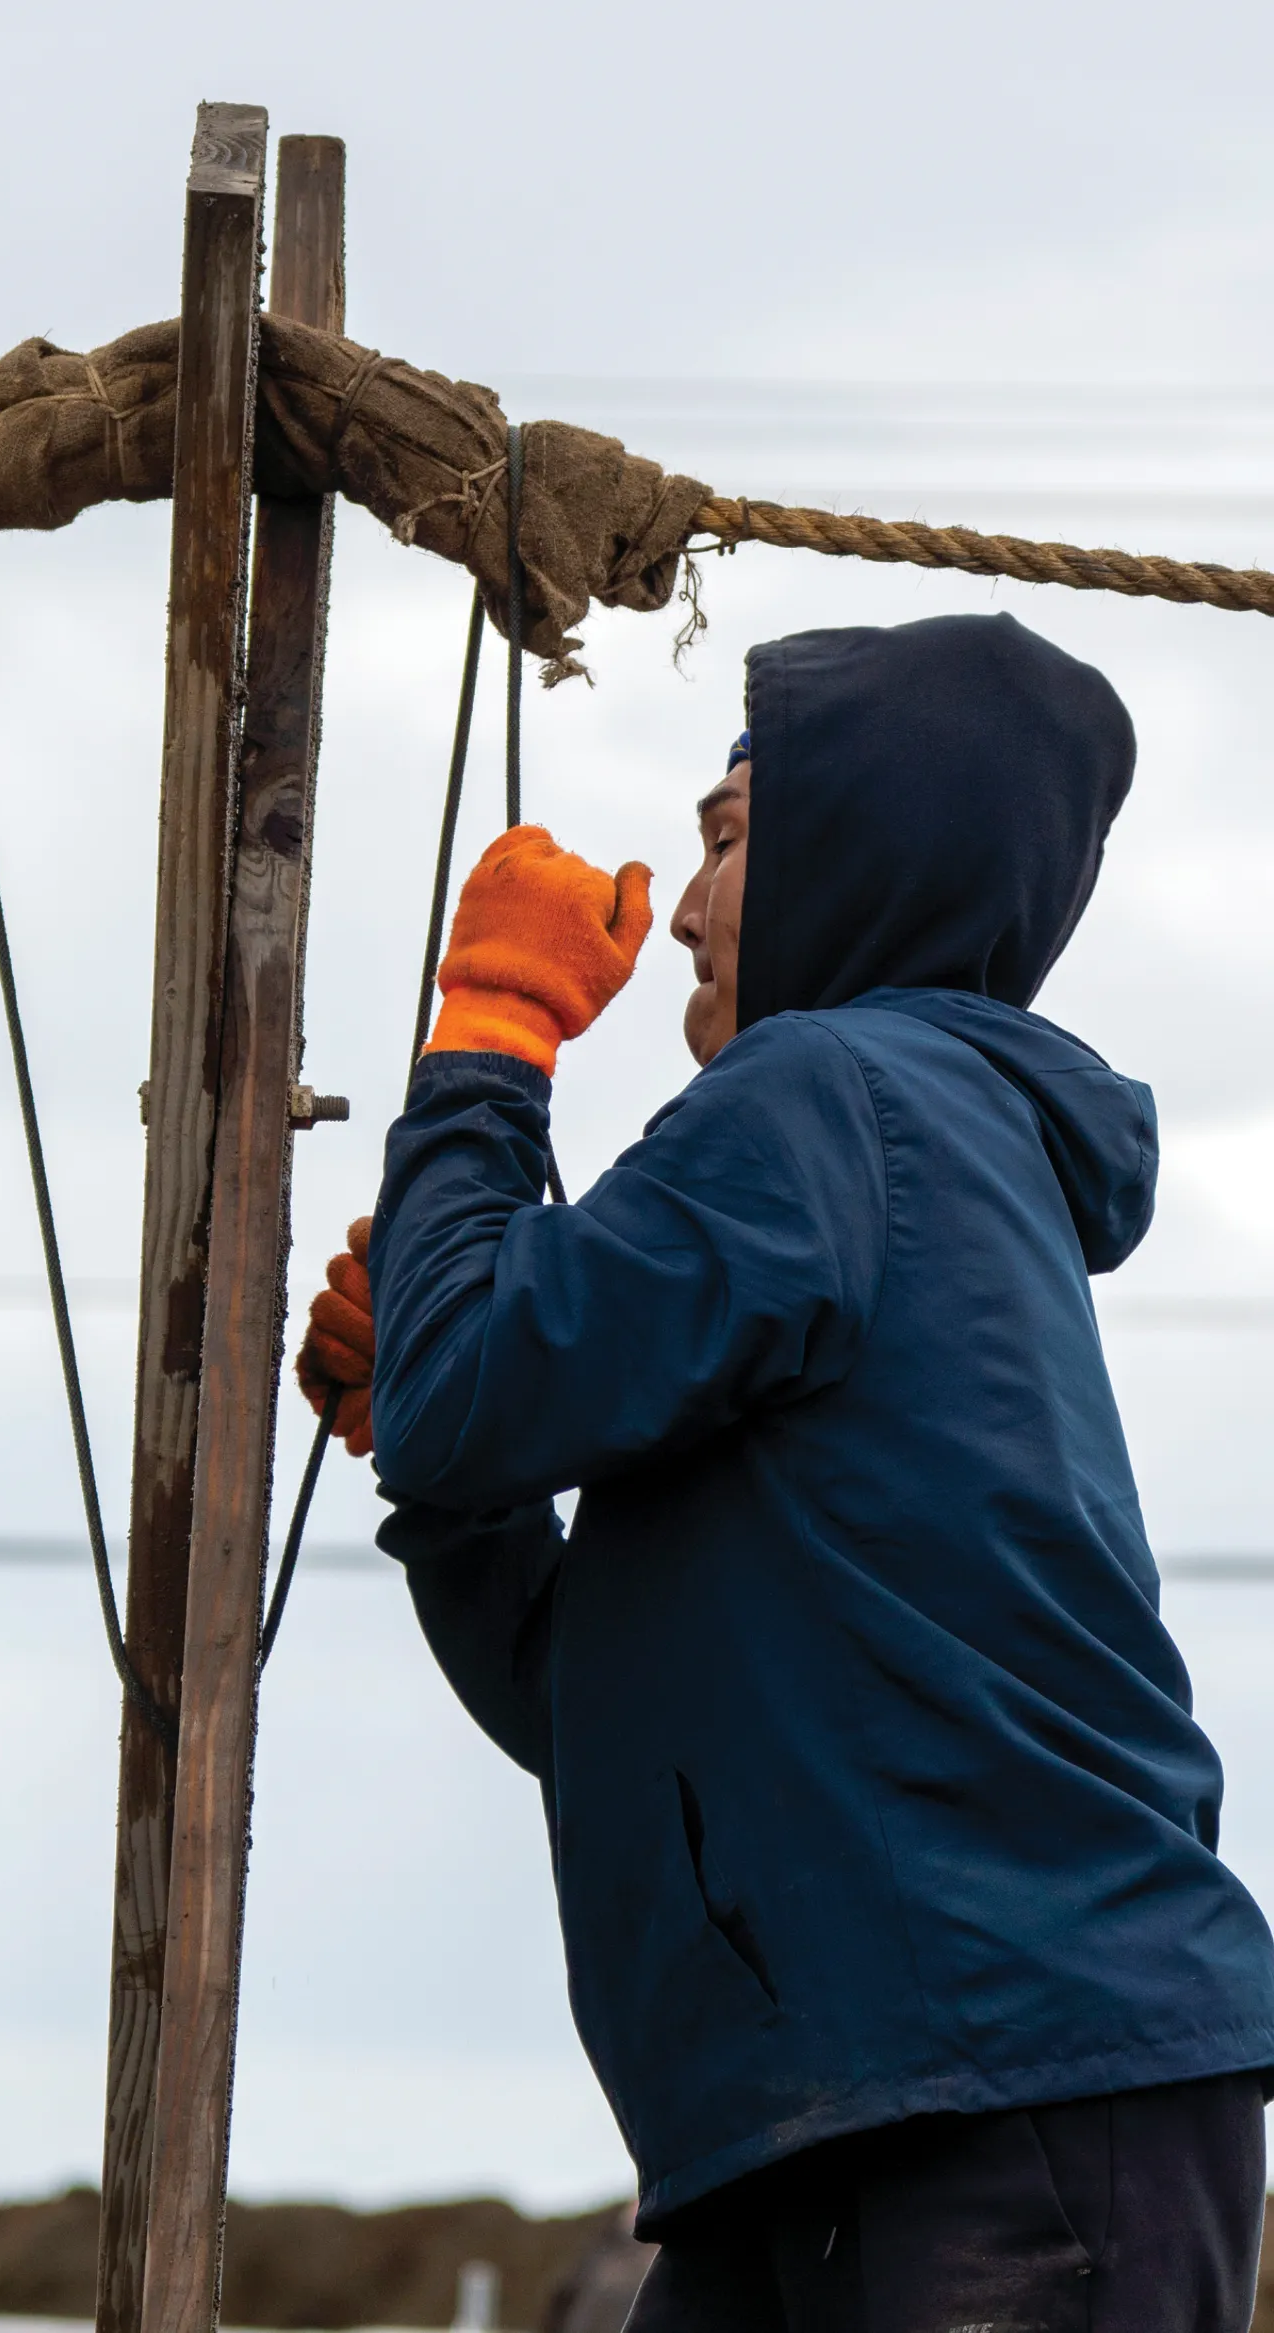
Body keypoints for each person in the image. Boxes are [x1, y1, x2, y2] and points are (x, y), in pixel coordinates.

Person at [294, 611, 1274, 2332]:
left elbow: (464, 1394)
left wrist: (493, 1029)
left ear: (859, 854)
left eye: (726, 840)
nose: (677, 908)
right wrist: (451, 1477)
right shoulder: (890, 1153)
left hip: (990, 2083)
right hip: (885, 2097)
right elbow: (596, 1704)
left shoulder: (833, 1093)